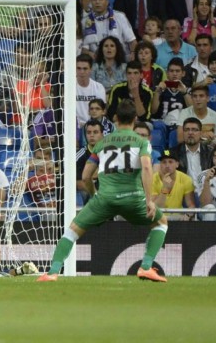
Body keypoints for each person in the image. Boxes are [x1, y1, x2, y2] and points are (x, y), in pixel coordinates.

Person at [37, 99, 169, 282]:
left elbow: (85, 176)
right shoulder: (141, 142)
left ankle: (52, 272)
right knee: (161, 223)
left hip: (104, 199)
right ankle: (145, 267)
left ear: (115, 118)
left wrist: (94, 196)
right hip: (133, 198)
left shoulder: (101, 143)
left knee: (72, 231)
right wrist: (149, 200)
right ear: (135, 118)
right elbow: (147, 168)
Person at [152, 150, 196, 221]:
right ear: (160, 164)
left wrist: (188, 215)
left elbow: (191, 205)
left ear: (177, 164)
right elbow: (155, 207)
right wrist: (165, 188)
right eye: (164, 162)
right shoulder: (152, 179)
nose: (167, 165)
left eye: (170, 162)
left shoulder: (186, 179)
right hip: (159, 217)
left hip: (179, 217)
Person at [194, 145, 216, 221]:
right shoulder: (203, 175)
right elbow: (205, 203)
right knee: (210, 208)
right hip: (208, 213)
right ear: (213, 159)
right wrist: (207, 181)